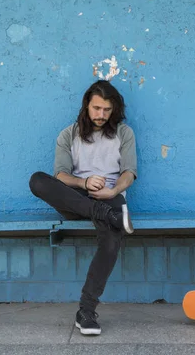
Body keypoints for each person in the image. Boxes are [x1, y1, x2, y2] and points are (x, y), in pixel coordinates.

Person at [29, 80, 137, 336]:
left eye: (107, 110)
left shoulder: (124, 133)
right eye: (96, 108)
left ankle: (86, 311)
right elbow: (61, 175)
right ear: (86, 106)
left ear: (114, 110)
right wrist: (85, 182)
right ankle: (102, 214)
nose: (101, 115)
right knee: (37, 180)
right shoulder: (69, 134)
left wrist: (112, 191)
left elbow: (129, 173)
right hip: (78, 198)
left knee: (111, 240)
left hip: (110, 197)